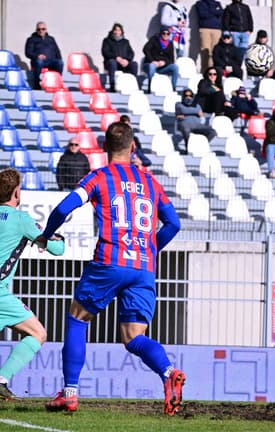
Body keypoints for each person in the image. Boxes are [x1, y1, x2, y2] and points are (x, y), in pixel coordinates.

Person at [41, 122, 184, 416]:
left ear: (105, 148)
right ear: (133, 148)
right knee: (134, 337)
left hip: (109, 260)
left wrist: (47, 234)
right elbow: (174, 224)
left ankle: (69, 393)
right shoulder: (151, 183)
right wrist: (151, 249)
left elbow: (62, 209)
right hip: (143, 268)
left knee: (78, 319)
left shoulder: (99, 178)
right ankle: (168, 372)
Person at [0, 169, 64, 400]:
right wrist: (57, 239)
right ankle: (2, 379)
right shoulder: (22, 220)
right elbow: (58, 250)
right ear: (17, 193)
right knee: (37, 333)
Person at [24, 21, 63, 90]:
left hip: (50, 61)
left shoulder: (51, 39)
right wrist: (37, 56)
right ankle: (37, 83)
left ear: (46, 29)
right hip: (38, 61)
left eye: (43, 29)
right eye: (38, 29)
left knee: (60, 62)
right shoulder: (31, 39)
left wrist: (59, 59)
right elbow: (28, 53)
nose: (41, 31)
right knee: (39, 62)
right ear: (36, 30)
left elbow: (57, 51)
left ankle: (57, 82)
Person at [175, 88, 215, 153]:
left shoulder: (197, 105)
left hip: (197, 124)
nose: (188, 97)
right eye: (186, 95)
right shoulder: (179, 104)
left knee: (212, 132)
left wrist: (196, 114)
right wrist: (196, 113)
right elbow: (183, 110)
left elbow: (201, 115)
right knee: (186, 131)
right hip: (185, 123)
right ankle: (188, 148)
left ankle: (201, 145)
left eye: (190, 96)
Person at [101, 23, 138, 93]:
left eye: (119, 30)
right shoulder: (107, 41)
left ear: (121, 32)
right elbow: (105, 52)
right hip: (112, 62)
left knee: (134, 64)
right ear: (113, 31)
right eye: (116, 30)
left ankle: (134, 84)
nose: (117, 32)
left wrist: (127, 60)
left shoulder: (126, 42)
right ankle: (112, 85)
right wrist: (116, 58)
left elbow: (131, 53)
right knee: (112, 62)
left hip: (124, 63)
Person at [194, 0, 223, 70]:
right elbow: (203, 14)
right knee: (205, 52)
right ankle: (204, 71)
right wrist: (215, 12)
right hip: (205, 29)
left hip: (217, 29)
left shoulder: (217, 3)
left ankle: (213, 72)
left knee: (214, 52)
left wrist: (209, 11)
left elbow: (221, 13)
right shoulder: (200, 3)